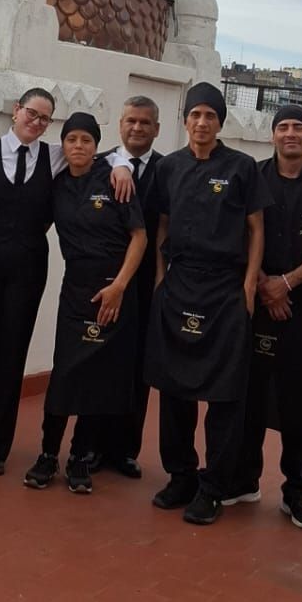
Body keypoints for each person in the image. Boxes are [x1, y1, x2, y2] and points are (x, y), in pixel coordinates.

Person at [0, 89, 133, 475]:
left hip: (29, 268)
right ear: (16, 111)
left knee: (12, 354)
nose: (37, 122)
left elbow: (101, 152)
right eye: (32, 113)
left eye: (45, 119)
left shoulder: (54, 155)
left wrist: (123, 165)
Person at [146, 81, 267, 527]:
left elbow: (256, 228)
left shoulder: (241, 168)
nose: (201, 123)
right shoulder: (170, 168)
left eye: (210, 116)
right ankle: (180, 475)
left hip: (225, 291)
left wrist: (250, 285)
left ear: (220, 123)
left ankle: (214, 486)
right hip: (179, 287)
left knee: (224, 393)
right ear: (185, 121)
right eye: (195, 115)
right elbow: (161, 224)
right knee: (174, 388)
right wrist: (161, 280)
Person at [24, 112, 146, 495]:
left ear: (96, 147)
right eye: (72, 139)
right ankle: (47, 455)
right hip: (74, 293)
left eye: (86, 140)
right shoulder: (56, 185)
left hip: (112, 293)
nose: (78, 146)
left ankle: (80, 458)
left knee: (98, 379)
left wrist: (120, 286)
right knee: (64, 375)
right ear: (63, 144)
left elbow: (139, 237)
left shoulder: (113, 179)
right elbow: (35, 225)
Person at [227, 104, 302, 528]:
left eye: (299, 128)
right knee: (249, 392)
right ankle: (244, 479)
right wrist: (266, 285)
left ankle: (296, 492)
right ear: (272, 136)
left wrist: (286, 284)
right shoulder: (252, 176)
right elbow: (238, 235)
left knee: (298, 400)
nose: (290, 134)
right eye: (283, 127)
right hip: (256, 299)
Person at [97, 94, 164, 477]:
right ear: (120, 124)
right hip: (104, 280)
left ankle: (125, 449)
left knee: (139, 365)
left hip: (146, 284)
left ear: (156, 128)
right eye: (130, 121)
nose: (136, 128)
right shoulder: (100, 163)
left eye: (144, 122)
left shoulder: (169, 170)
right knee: (100, 359)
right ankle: (91, 445)